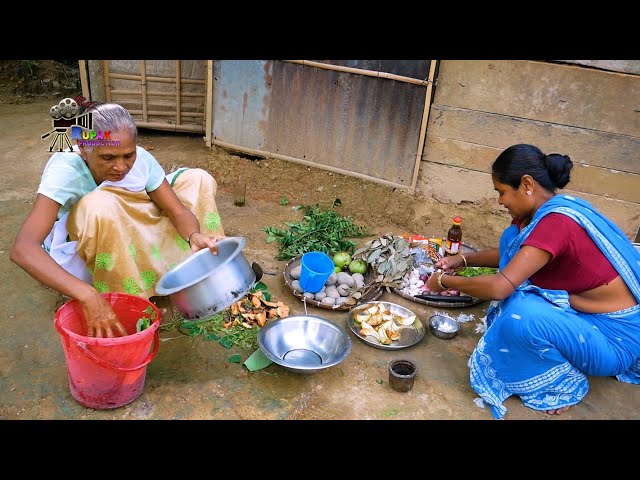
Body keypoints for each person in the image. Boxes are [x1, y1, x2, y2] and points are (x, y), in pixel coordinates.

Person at [426, 143, 640, 419]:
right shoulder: (549, 213)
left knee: (520, 312)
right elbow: (515, 255)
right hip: (583, 318)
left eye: (502, 192)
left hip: (613, 340)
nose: (500, 201)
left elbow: (500, 286)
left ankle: (560, 383)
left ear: (526, 184)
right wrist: (464, 260)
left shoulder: (557, 223)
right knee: (512, 240)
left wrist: (442, 281)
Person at [10, 102, 225, 338]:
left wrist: (194, 236)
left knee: (197, 180)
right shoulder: (65, 170)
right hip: (91, 250)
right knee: (99, 205)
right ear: (84, 147)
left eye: (128, 155)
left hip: (130, 227)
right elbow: (23, 248)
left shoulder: (140, 160)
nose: (121, 167)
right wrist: (86, 294)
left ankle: (197, 269)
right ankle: (129, 301)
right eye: (108, 157)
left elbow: (177, 212)